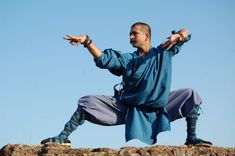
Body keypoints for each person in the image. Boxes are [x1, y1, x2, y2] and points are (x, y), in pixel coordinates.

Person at [41, 22, 212, 147]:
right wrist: (87, 42)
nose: (131, 37)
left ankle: (191, 138)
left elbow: (186, 32)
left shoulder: (165, 50)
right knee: (88, 102)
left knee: (190, 94)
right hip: (130, 108)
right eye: (130, 34)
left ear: (147, 36)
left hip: (160, 106)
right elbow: (104, 59)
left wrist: (179, 36)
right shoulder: (128, 59)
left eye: (134, 33)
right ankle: (64, 137)